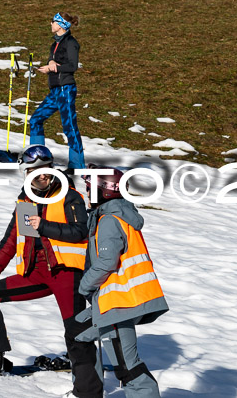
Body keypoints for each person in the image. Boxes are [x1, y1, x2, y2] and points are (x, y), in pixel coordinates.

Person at [0, 145, 103, 398]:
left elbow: (80, 232)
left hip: (67, 275)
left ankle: (87, 393)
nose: (42, 176)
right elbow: (11, 240)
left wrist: (44, 226)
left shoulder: (69, 195)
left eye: (46, 170)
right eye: (35, 172)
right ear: (25, 173)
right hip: (37, 272)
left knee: (76, 334)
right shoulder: (26, 199)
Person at [77, 164, 169, 398]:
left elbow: (106, 262)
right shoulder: (117, 214)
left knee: (127, 367)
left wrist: (85, 285)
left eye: (90, 188)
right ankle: (87, 392)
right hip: (115, 302)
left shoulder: (109, 219)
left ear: (103, 191)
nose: (88, 193)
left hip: (119, 304)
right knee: (78, 335)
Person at [31, 12, 85, 173]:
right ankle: (37, 158)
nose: (51, 24)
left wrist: (55, 67)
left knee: (70, 127)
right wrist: (50, 63)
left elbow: (73, 66)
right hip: (55, 90)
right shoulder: (54, 43)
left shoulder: (71, 43)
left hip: (65, 89)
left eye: (53, 21)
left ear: (61, 25)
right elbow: (52, 61)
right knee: (35, 119)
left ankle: (77, 166)